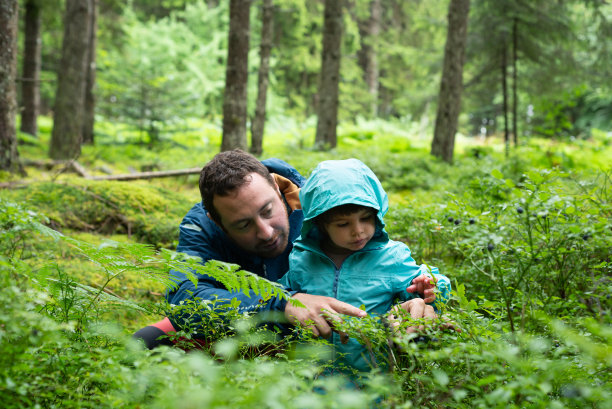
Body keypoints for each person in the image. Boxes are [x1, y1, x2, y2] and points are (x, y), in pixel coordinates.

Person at [133, 150, 439, 348]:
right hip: (245, 322)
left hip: (324, 334)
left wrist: (419, 299)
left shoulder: (322, 204)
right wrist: (283, 303)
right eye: (242, 225)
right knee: (145, 342)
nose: (265, 232)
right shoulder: (201, 225)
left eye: (268, 211)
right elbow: (184, 299)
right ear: (218, 221)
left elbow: (375, 260)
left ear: (279, 189)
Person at [279, 158, 451, 372]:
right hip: (310, 377)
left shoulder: (391, 256)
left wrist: (429, 287)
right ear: (321, 224)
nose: (358, 230)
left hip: (370, 377)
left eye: (366, 218)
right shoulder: (302, 258)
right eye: (343, 224)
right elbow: (281, 295)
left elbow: (426, 291)